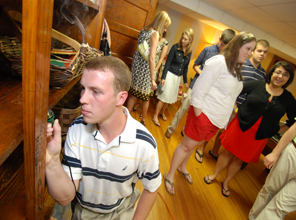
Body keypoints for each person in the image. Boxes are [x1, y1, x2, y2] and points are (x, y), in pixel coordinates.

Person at [46, 56, 161, 220]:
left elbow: (152, 187)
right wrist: (51, 161)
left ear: (121, 98)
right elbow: (65, 198)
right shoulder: (77, 129)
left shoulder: (144, 143)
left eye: (95, 91)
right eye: (83, 89)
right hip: (81, 212)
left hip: (120, 213)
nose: (82, 99)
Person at [163, 32, 256, 195]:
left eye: (252, 50)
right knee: (186, 146)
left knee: (194, 145)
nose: (250, 53)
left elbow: (230, 96)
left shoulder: (235, 68)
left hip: (216, 119)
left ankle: (182, 167)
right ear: (236, 46)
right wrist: (199, 116)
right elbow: (199, 89)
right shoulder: (219, 62)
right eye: (248, 48)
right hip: (204, 115)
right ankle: (169, 175)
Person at [204, 61, 296, 198]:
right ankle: (214, 175)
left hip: (259, 136)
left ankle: (226, 182)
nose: (280, 76)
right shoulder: (257, 84)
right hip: (240, 126)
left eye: (285, 74)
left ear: (289, 79)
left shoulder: (289, 99)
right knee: (227, 153)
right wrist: (235, 109)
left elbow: (292, 122)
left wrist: (274, 130)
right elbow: (234, 92)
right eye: (278, 72)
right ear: (272, 73)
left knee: (239, 160)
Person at [164, 28, 236, 138]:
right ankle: (171, 128)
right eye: (222, 44)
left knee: (194, 115)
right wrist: (204, 75)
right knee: (183, 109)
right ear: (219, 39)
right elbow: (195, 65)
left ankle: (185, 130)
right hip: (195, 87)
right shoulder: (208, 50)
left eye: (226, 46)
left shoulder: (227, 59)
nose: (223, 48)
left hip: (209, 94)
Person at [209, 39, 270, 160]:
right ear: (253, 51)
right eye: (259, 51)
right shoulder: (240, 64)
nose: (262, 54)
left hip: (243, 111)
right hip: (230, 103)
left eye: (265, 52)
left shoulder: (263, 74)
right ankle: (203, 149)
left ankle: (216, 152)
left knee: (227, 133)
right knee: (217, 128)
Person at [126, 11, 171, 126]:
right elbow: (151, 57)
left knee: (133, 93)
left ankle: (125, 116)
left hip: (137, 66)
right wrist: (152, 78)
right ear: (161, 24)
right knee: (146, 97)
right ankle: (143, 120)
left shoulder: (144, 29)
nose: (165, 30)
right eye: (165, 27)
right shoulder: (154, 34)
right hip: (146, 70)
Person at [249, 120, 296, 220]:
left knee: (281, 207)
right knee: (270, 190)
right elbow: (294, 129)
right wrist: (275, 153)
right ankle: (252, 217)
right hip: (293, 155)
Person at [152, 28, 194, 127]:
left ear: (190, 41)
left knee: (170, 97)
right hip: (169, 75)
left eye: (185, 39)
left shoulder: (189, 52)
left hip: (177, 78)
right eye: (182, 38)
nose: (182, 40)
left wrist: (185, 81)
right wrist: (163, 77)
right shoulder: (175, 47)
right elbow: (168, 63)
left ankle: (162, 112)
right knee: (164, 96)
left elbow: (185, 67)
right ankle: (155, 116)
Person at [132, 31, 169, 114]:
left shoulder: (165, 43)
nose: (164, 29)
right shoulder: (152, 35)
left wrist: (155, 70)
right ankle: (138, 103)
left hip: (153, 68)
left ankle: (143, 115)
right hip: (144, 67)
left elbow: (161, 59)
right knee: (139, 88)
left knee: (147, 93)